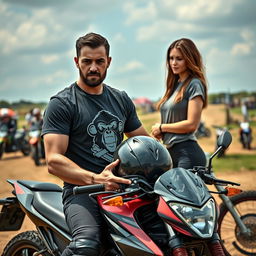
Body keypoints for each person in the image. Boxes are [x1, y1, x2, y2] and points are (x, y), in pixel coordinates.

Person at [42, 32, 148, 256]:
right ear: (76, 62)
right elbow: (53, 160)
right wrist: (96, 179)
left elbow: (143, 142)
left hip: (120, 188)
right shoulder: (62, 103)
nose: (93, 67)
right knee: (87, 244)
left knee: (162, 233)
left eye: (99, 61)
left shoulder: (120, 99)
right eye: (86, 61)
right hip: (82, 191)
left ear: (108, 62)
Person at [151, 38, 208, 169]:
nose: (173, 63)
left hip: (187, 153)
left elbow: (192, 125)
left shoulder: (194, 84)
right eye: (171, 58)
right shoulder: (174, 86)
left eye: (179, 59)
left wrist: (162, 127)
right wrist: (162, 133)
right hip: (170, 153)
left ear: (189, 59)